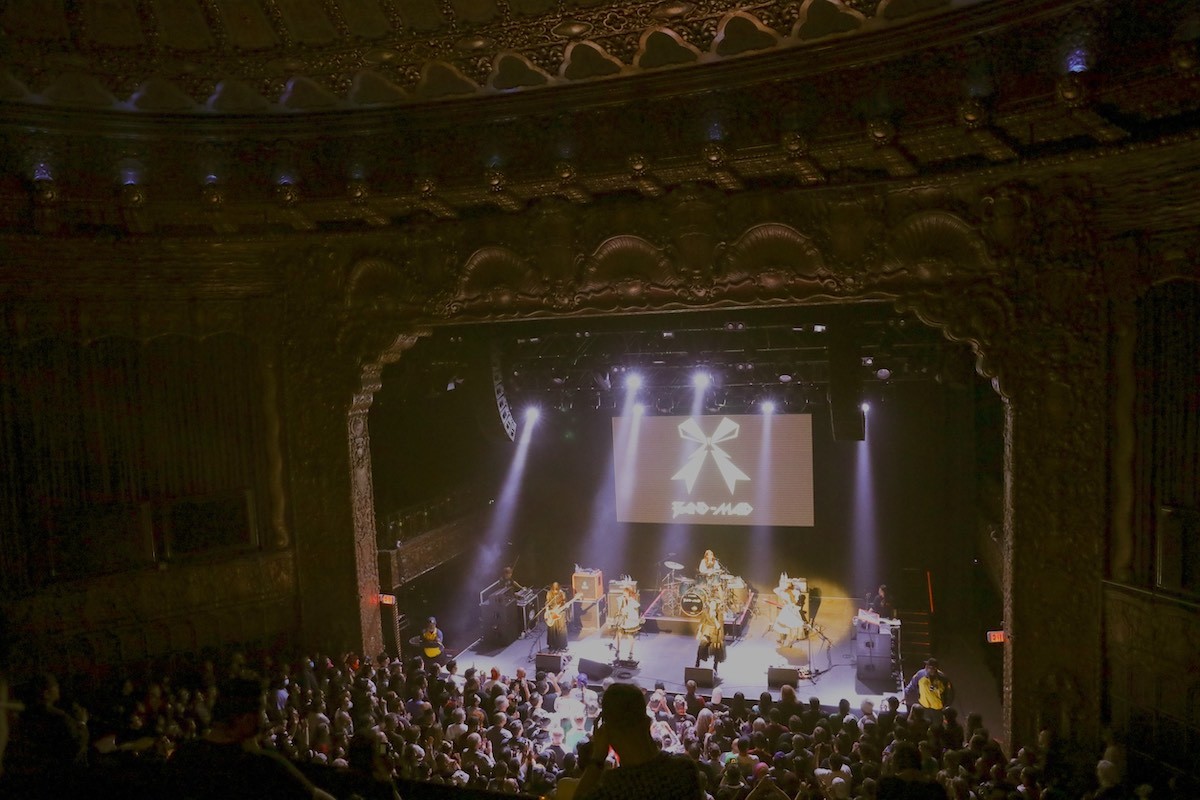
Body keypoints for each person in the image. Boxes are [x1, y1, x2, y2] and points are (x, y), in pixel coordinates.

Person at [163, 675, 337, 800]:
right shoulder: (263, 766)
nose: (265, 718)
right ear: (247, 720)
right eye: (261, 711)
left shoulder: (183, 756)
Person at [575, 682, 703, 800]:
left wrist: (597, 758)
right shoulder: (685, 770)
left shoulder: (613, 788)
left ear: (607, 733)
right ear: (648, 722)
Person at [695, 596, 726, 674]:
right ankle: (697, 664)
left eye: (714, 606)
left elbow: (719, 626)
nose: (713, 607)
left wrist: (714, 618)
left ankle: (715, 667)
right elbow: (702, 622)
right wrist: (699, 632)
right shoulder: (706, 612)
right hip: (707, 631)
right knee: (702, 645)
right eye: (711, 605)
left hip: (716, 632)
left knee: (717, 649)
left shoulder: (719, 614)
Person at [771, 580, 807, 647]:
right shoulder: (784, 592)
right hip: (787, 610)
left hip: (792, 610)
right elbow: (775, 590)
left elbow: (795, 602)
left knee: (792, 627)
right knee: (782, 626)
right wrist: (783, 588)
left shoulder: (795, 592)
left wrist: (787, 591)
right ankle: (781, 640)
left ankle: (789, 643)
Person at [613, 584, 641, 662]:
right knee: (619, 635)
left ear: (629, 593)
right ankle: (617, 650)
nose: (624, 594)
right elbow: (620, 608)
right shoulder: (621, 599)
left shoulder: (632, 601)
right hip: (622, 621)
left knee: (630, 636)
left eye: (626, 593)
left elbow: (635, 608)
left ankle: (631, 652)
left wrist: (628, 601)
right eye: (624, 593)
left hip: (629, 621)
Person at [545, 581, 570, 652]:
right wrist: (547, 611)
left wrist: (566, 606)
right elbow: (547, 603)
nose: (555, 591)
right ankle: (552, 645)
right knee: (551, 629)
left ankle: (562, 646)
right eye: (554, 589)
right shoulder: (549, 593)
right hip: (552, 612)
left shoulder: (562, 593)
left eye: (556, 589)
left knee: (561, 629)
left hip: (560, 612)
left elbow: (564, 602)